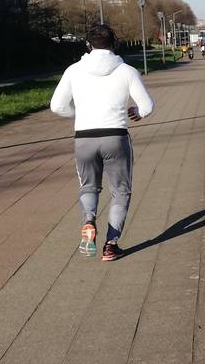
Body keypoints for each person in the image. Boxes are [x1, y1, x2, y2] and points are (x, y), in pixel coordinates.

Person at [50, 24, 154, 261]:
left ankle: (88, 221)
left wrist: (81, 114)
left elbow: (57, 106)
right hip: (115, 136)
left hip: (84, 138)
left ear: (88, 45)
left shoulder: (73, 70)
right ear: (114, 44)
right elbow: (147, 106)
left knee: (88, 187)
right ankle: (111, 244)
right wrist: (138, 112)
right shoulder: (127, 70)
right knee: (120, 191)